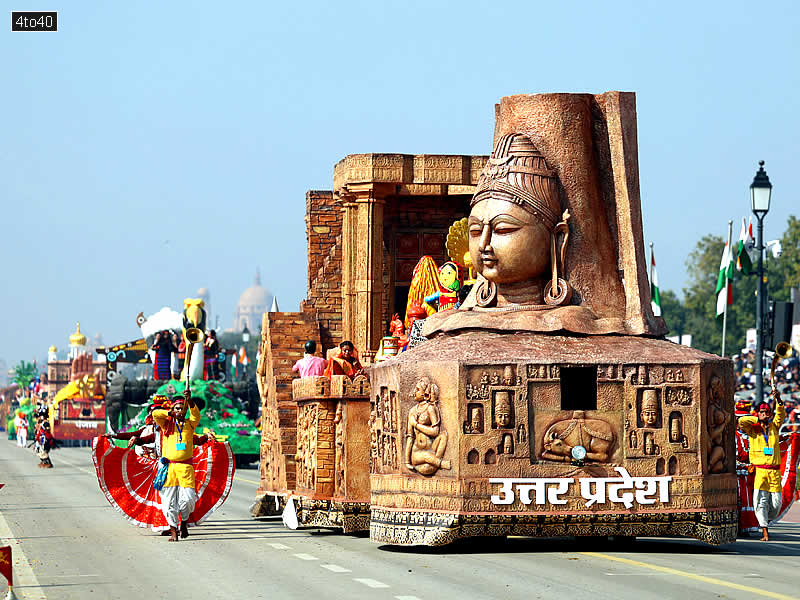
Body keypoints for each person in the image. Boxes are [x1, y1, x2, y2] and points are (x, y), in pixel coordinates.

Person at [151, 389, 201, 541]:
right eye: (177, 408)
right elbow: (155, 414)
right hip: (169, 469)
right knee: (168, 503)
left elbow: (196, 415)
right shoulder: (166, 424)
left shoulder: (190, 424)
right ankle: (173, 530)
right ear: (172, 410)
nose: (180, 411)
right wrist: (171, 415)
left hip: (185, 468)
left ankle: (184, 523)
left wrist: (190, 400)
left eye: (182, 408)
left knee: (188, 500)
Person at [738, 390, 786, 541]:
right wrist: (757, 418)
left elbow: (781, 415)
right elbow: (742, 422)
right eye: (762, 412)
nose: (765, 414)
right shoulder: (752, 430)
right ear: (758, 413)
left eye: (767, 412)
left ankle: (766, 521)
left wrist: (778, 399)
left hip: (774, 472)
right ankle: (765, 531)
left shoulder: (774, 427)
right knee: (761, 501)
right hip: (760, 472)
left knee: (777, 503)